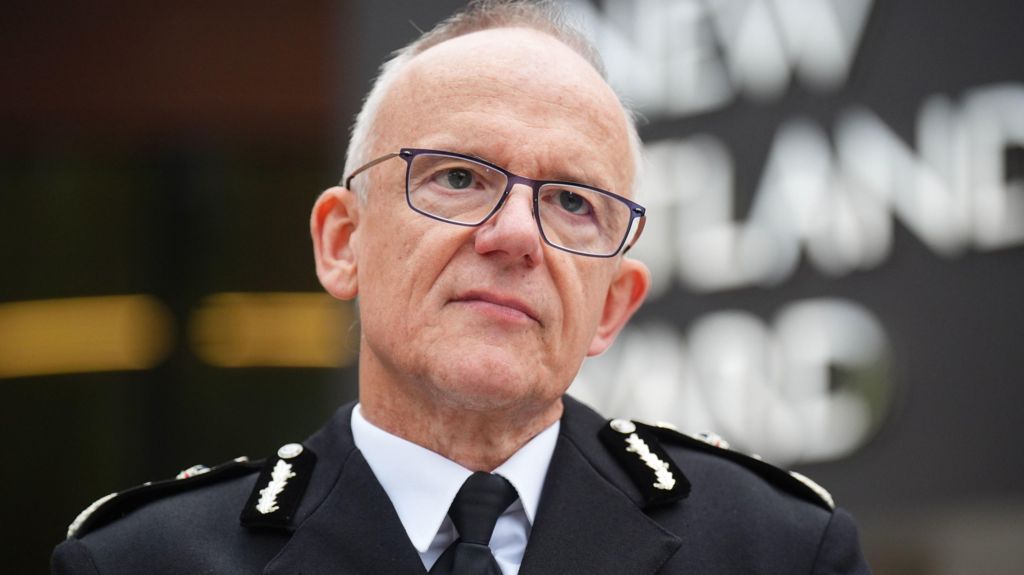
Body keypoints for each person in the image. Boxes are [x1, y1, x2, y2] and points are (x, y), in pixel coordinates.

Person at [52, 1, 871, 573]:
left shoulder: (777, 550)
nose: (515, 235)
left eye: (573, 201)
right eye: (457, 176)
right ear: (343, 243)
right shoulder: (142, 560)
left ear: (611, 306)